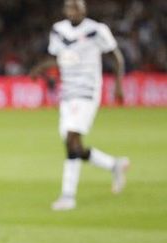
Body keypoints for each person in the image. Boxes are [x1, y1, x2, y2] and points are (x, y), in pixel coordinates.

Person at [30, 0, 130, 211]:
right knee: (73, 145)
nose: (73, 11)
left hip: (88, 90)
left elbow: (116, 57)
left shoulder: (97, 30)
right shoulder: (58, 30)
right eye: (70, 7)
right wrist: (39, 68)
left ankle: (68, 196)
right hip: (67, 92)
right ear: (65, 10)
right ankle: (115, 165)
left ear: (85, 9)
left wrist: (119, 85)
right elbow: (61, 58)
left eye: (77, 7)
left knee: (72, 138)